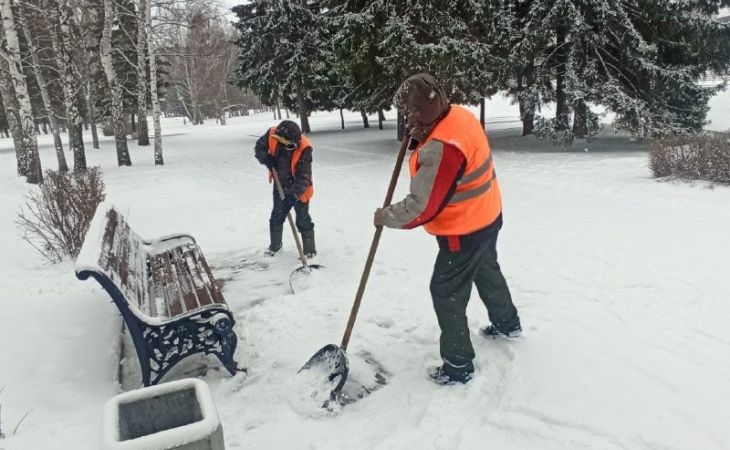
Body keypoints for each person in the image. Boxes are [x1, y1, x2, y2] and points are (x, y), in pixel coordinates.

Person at [374, 73, 521, 385]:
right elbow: (441, 149)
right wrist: (417, 136)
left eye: (408, 114)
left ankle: (458, 366)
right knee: (486, 270)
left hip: (463, 231)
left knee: (446, 292)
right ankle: (508, 323)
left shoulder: (442, 148)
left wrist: (385, 216)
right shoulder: (458, 116)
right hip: (487, 215)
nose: (405, 119)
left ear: (418, 113)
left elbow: (421, 207)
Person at [254, 120, 316, 257]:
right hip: (280, 184)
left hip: (300, 189)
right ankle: (275, 247)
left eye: (290, 145)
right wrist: (266, 158)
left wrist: (293, 196)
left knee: (302, 219)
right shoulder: (272, 134)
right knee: (277, 216)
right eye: (284, 144)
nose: (286, 147)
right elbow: (259, 147)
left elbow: (304, 178)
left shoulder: (304, 148)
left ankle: (309, 251)